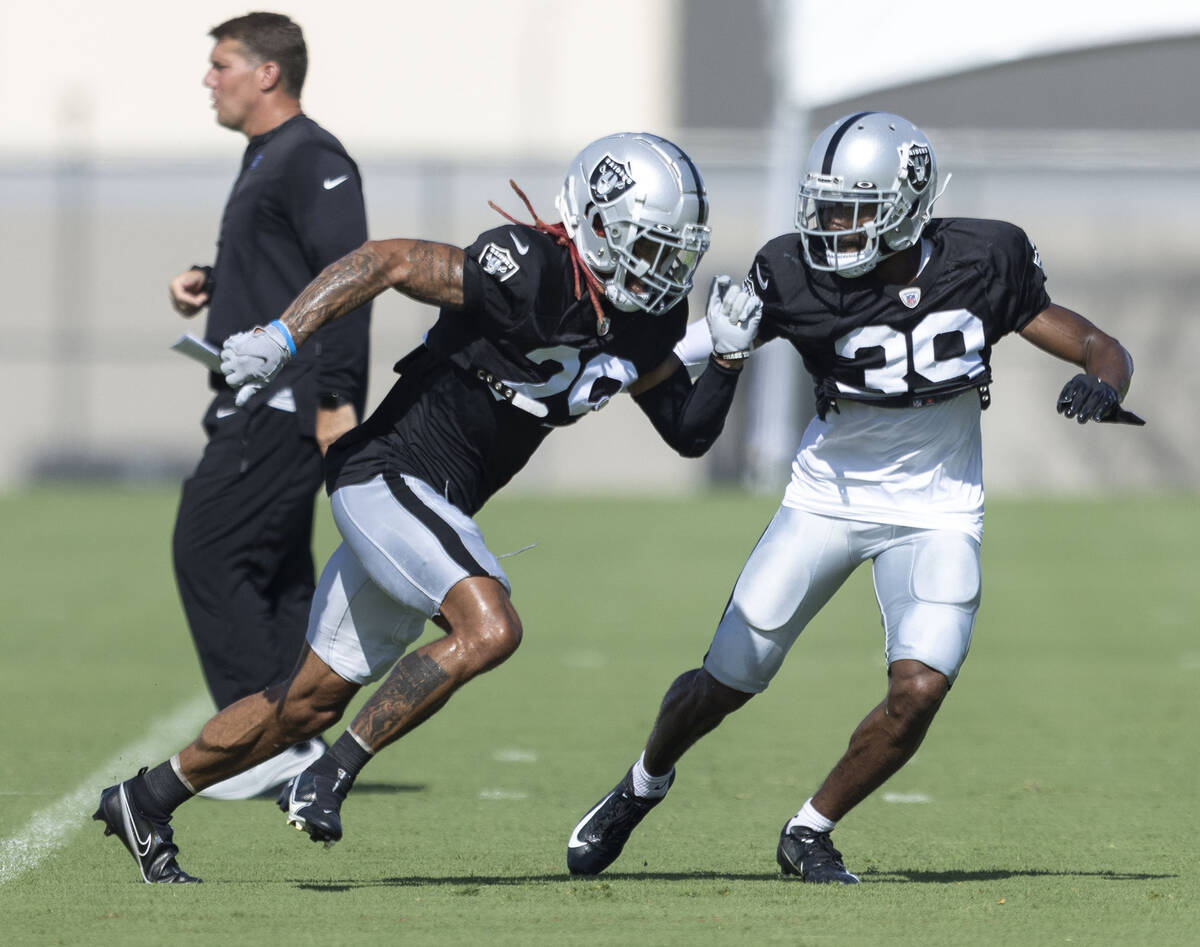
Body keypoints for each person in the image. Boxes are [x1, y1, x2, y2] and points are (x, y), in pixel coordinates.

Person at [94, 131, 763, 883]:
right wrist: (283, 334)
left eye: (674, 251)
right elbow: (386, 260)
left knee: (304, 703)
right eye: (649, 245)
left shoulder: (645, 321)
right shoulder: (527, 266)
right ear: (597, 223)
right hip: (385, 473)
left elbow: (687, 431)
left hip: (429, 508)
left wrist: (731, 358)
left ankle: (146, 798)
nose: (664, 269)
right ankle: (333, 772)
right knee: (491, 625)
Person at [566, 111, 1144, 884]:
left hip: (937, 507)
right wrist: (608, 363)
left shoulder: (985, 257)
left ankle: (809, 830)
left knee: (920, 688)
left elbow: (1098, 341)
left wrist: (1103, 381)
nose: (831, 224)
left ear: (907, 205)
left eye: (853, 208)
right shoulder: (795, 270)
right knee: (729, 676)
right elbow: (699, 341)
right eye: (824, 204)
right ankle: (642, 783)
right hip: (826, 497)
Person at [167, 13, 372, 800]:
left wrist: (335, 401)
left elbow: (349, 282)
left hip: (286, 405)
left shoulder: (311, 157)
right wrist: (210, 283)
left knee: (209, 547)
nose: (209, 79)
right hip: (263, 399)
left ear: (267, 75)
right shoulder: (268, 157)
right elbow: (286, 275)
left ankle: (258, 742)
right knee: (280, 576)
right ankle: (299, 736)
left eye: (221, 65)